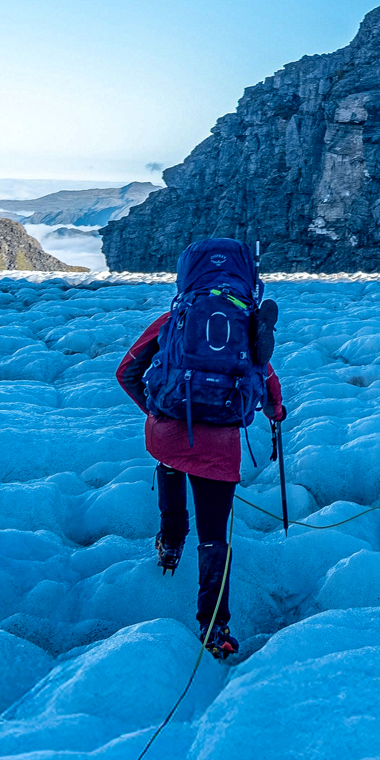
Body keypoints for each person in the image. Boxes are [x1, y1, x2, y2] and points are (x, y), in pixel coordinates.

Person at [116, 240, 285, 660]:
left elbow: (126, 371)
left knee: (171, 465)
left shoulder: (175, 319)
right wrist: (276, 412)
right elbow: (266, 383)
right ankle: (214, 628)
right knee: (215, 539)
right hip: (220, 447)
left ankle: (170, 543)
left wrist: (156, 410)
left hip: (167, 433)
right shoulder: (247, 327)